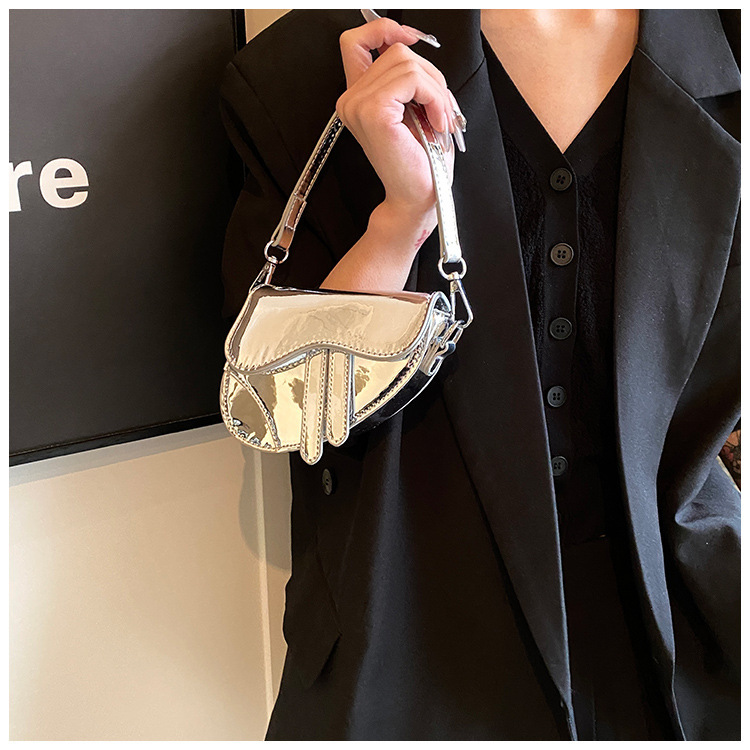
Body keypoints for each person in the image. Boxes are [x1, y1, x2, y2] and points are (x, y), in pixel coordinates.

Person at [218, 10, 740, 740]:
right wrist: (402, 220)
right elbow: (292, 414)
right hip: (413, 643)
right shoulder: (310, 70)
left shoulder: (728, 48)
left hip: (692, 635)